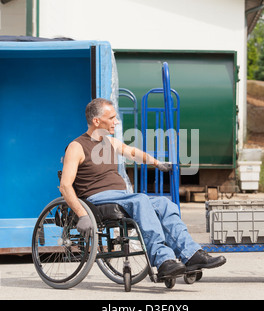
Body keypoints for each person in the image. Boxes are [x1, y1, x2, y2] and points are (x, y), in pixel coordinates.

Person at [59, 98, 226, 278]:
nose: (116, 121)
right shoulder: (77, 147)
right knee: (140, 200)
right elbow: (65, 186)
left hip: (121, 197)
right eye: (112, 117)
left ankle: (192, 254)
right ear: (97, 121)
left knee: (164, 203)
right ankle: (163, 260)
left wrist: (157, 163)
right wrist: (82, 215)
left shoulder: (110, 143)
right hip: (98, 199)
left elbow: (132, 152)